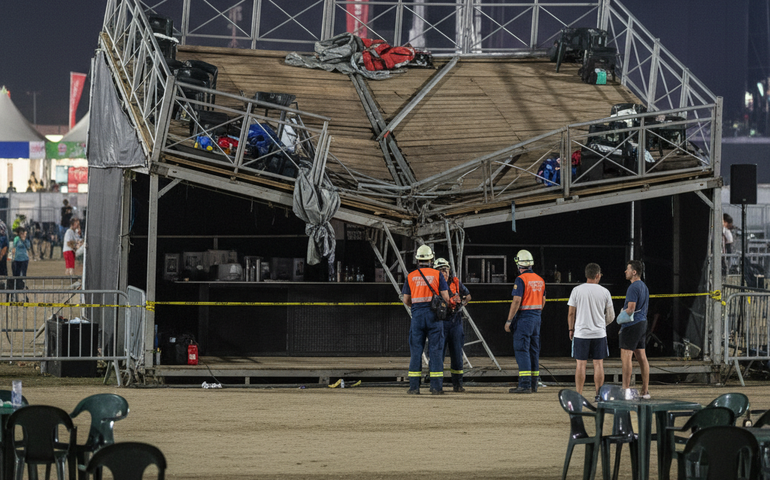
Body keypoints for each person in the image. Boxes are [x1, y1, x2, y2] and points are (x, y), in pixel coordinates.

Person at [401, 245, 451, 395]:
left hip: (417, 316)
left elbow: (406, 299)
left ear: (417, 260)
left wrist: (416, 307)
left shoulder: (411, 276)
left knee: (416, 351)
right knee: (435, 351)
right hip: (434, 317)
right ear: (431, 259)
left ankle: (414, 387)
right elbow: (446, 298)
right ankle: (436, 387)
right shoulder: (437, 275)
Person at [567, 263, 615, 401]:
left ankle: (579, 395)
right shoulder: (605, 292)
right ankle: (599, 395)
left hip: (581, 333)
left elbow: (571, 313)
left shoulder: (576, 290)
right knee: (598, 364)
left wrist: (571, 328)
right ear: (597, 275)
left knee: (580, 364)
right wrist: (601, 324)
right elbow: (611, 315)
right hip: (599, 334)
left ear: (586, 275)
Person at [505, 249, 546, 394]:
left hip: (524, 318)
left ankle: (524, 385)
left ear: (519, 264)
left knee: (522, 350)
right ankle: (534, 384)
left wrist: (509, 320)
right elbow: (543, 301)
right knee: (534, 351)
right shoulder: (540, 280)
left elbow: (516, 301)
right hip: (536, 318)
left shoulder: (521, 279)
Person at [434, 258, 471, 392]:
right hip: (440, 321)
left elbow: (468, 296)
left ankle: (458, 385)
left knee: (457, 353)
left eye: (445, 270)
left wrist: (460, 302)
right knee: (439, 354)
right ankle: (437, 385)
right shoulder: (433, 283)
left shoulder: (455, 281)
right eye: (440, 270)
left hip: (455, 321)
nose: (443, 272)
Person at [619, 259, 650, 398]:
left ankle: (625, 390)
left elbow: (631, 309)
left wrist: (621, 314)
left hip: (632, 325)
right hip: (642, 323)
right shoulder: (644, 286)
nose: (625, 271)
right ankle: (645, 391)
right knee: (642, 357)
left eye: (628, 269)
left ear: (634, 272)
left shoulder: (633, 287)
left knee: (626, 356)